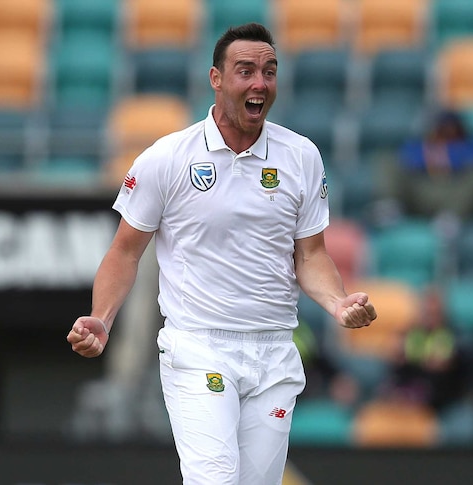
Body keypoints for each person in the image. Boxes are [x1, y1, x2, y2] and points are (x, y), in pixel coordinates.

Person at [66, 23, 377, 485]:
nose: (259, 83)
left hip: (274, 352)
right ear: (216, 79)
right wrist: (101, 318)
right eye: (245, 71)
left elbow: (311, 255)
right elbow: (124, 253)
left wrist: (337, 303)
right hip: (200, 347)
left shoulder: (301, 156)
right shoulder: (167, 158)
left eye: (269, 72)